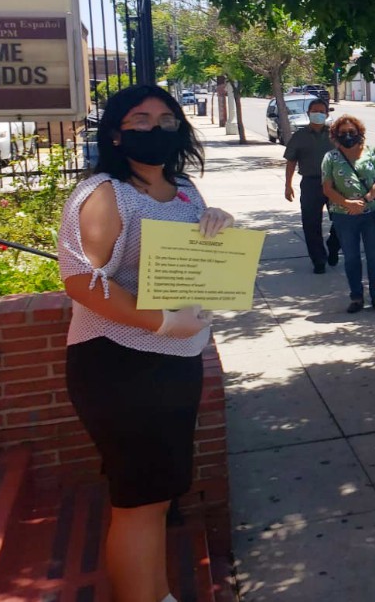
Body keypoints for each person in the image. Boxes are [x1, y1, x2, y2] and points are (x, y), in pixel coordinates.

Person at [58, 84, 234, 602]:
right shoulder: (106, 193)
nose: (154, 128)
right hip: (120, 367)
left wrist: (216, 229)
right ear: (116, 131)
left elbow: (193, 263)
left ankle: (157, 593)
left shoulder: (182, 189)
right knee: (138, 500)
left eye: (165, 118)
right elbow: (80, 280)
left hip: (175, 363)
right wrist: (158, 321)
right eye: (140, 119)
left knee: (158, 497)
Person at [321, 114, 375, 313]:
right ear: (335, 135)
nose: (348, 136)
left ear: (359, 132)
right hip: (344, 216)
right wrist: (347, 203)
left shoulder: (372, 152)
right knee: (351, 257)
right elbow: (327, 188)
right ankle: (356, 297)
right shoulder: (330, 158)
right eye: (343, 133)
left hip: (371, 214)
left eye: (352, 132)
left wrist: (368, 198)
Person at [283, 97, 340, 274]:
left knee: (341, 219)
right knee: (310, 223)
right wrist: (288, 185)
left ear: (327, 114)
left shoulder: (334, 135)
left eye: (322, 112)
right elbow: (291, 161)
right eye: (314, 111)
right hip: (310, 183)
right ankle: (319, 260)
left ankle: (333, 246)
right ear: (308, 114)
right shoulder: (299, 136)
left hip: (335, 184)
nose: (318, 115)